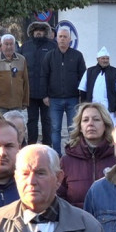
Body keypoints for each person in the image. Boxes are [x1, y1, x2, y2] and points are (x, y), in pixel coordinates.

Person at [58, 103, 116, 208]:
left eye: (96, 120)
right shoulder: (66, 161)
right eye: (85, 120)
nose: (90, 124)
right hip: (76, 222)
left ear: (105, 125)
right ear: (80, 127)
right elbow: (58, 197)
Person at [43, 27, 86, 155]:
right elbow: (44, 75)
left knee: (72, 129)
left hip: (72, 98)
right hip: (54, 99)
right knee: (55, 129)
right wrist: (45, 95)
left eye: (65, 37)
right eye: (60, 36)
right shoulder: (49, 56)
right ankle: (57, 155)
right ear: (56, 38)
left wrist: (81, 96)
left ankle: (73, 154)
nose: (62, 39)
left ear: (70, 39)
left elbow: (83, 77)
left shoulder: (77, 56)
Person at [20, 21, 56, 147]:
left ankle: (47, 144)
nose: (38, 32)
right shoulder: (25, 46)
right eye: (36, 30)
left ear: (45, 32)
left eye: (41, 30)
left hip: (47, 92)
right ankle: (31, 145)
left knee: (47, 120)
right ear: (32, 32)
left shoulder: (52, 46)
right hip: (30, 91)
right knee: (31, 120)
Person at [79, 47, 116, 127]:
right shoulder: (89, 71)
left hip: (109, 109)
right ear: (98, 59)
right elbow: (83, 90)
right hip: (92, 106)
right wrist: (84, 106)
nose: (105, 60)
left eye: (107, 58)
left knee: (110, 129)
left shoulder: (115, 72)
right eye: (103, 58)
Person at [0, 34, 29, 113]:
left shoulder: (22, 60)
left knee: (15, 125)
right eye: (6, 44)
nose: (9, 47)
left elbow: (25, 81)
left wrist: (25, 101)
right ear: (2, 45)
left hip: (16, 104)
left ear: (14, 45)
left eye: (11, 44)